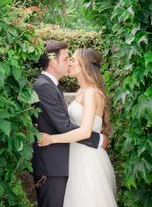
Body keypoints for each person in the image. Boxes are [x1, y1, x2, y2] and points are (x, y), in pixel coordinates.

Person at [31, 40, 107, 207]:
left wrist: (52, 138)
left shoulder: (58, 87)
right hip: (54, 166)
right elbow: (64, 125)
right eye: (67, 59)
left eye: (73, 60)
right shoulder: (45, 86)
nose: (69, 63)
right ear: (53, 61)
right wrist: (98, 140)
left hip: (75, 161)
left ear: (85, 66)